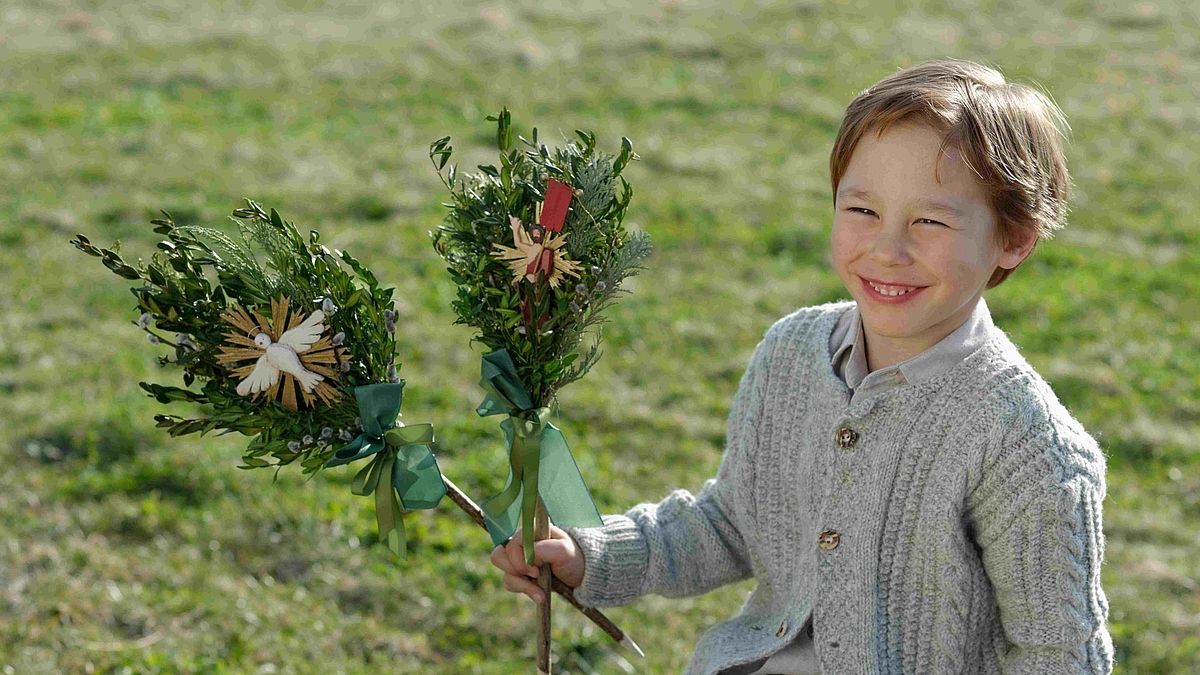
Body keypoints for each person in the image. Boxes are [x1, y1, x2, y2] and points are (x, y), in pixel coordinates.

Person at [490, 60, 1113, 675]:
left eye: (931, 220)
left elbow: (1060, 656)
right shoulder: (794, 351)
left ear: (1015, 238)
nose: (887, 250)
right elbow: (732, 522)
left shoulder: (1028, 448)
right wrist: (589, 556)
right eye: (862, 211)